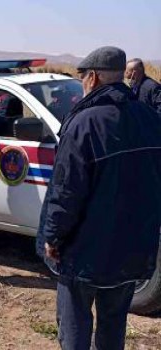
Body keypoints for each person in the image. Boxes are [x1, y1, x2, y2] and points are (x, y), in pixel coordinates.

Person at [37, 47, 161, 350]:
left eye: (82, 78)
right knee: (113, 324)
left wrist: (52, 237)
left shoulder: (84, 124)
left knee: (75, 324)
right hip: (132, 249)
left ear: (92, 78)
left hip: (84, 253)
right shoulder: (150, 120)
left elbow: (65, 192)